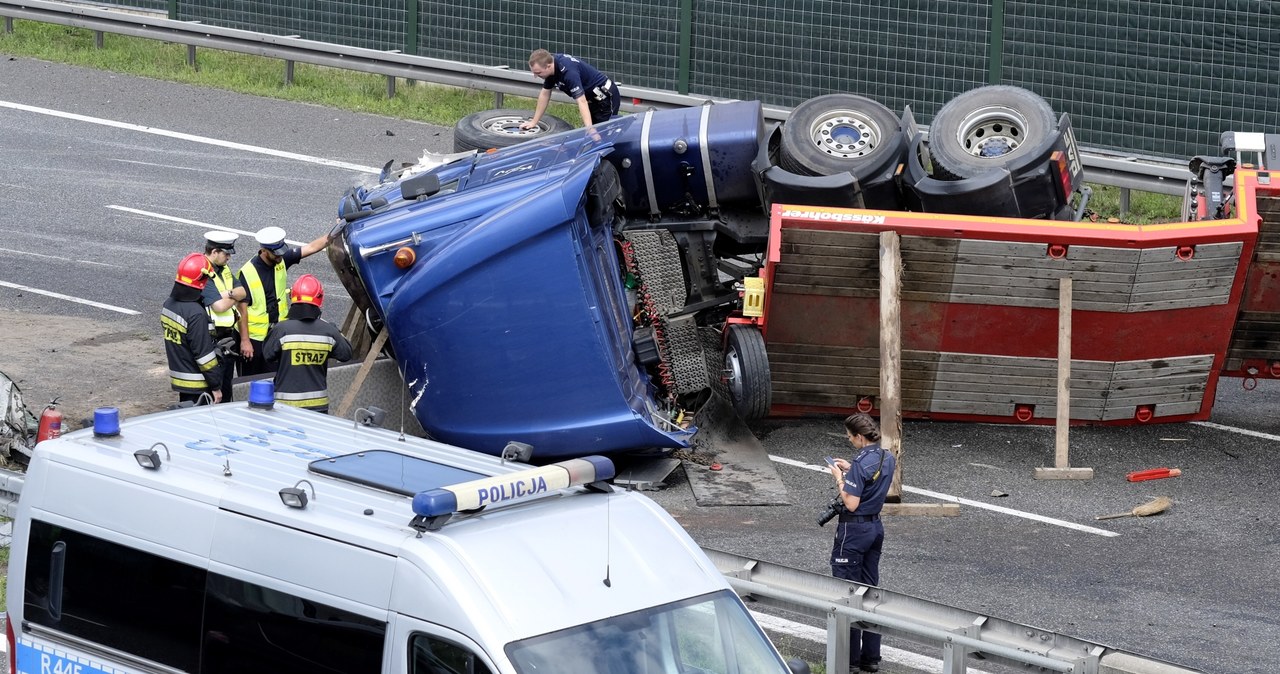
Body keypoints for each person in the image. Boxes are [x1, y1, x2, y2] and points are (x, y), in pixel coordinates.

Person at [827, 413, 895, 673]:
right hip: (875, 528)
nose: (849, 440)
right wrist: (851, 469)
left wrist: (839, 476)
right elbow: (872, 482)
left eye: (849, 436)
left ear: (859, 436)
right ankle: (870, 658)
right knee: (869, 592)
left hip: (853, 532)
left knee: (848, 595)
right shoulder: (886, 457)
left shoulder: (859, 463)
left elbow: (851, 502)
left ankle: (849, 661)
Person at [237, 226, 333, 376]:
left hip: (276, 334)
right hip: (254, 340)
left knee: (275, 378)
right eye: (276, 254)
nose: (280, 257)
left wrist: (337, 231)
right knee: (251, 382)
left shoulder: (280, 260)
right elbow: (241, 311)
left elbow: (312, 247)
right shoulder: (247, 273)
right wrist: (245, 341)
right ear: (264, 251)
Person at [262, 275, 354, 413]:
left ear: (293, 297)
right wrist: (336, 331)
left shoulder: (282, 330)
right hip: (318, 407)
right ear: (320, 299)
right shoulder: (329, 331)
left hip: (285, 406)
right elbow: (346, 354)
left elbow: (268, 354)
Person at [162, 253, 224, 405]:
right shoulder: (196, 314)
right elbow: (204, 357)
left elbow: (184, 339)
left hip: (182, 380)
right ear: (201, 281)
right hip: (199, 385)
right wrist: (216, 386)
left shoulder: (168, 304)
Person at [520, 49, 621, 132]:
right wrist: (534, 121)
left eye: (538, 73)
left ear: (548, 66)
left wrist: (590, 130)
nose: (535, 76)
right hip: (591, 100)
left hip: (605, 97)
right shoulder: (551, 69)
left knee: (604, 134)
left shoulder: (569, 73)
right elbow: (545, 94)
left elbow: (581, 101)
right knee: (591, 136)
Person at [200, 230, 245, 403]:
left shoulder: (224, 270)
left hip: (227, 339)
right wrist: (232, 297)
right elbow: (219, 307)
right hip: (212, 340)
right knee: (213, 392)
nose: (229, 258)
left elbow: (243, 292)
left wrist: (225, 293)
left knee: (226, 389)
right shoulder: (204, 272)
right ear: (214, 252)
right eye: (226, 254)